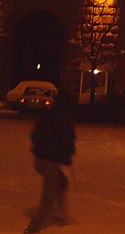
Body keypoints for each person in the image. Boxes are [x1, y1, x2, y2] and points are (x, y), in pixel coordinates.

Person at [25, 89, 76, 234]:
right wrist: (66, 155)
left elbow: (34, 135)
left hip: (39, 160)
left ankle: (62, 216)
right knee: (47, 201)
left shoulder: (47, 115)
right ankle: (32, 229)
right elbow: (66, 141)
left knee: (62, 182)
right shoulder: (64, 118)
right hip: (50, 162)